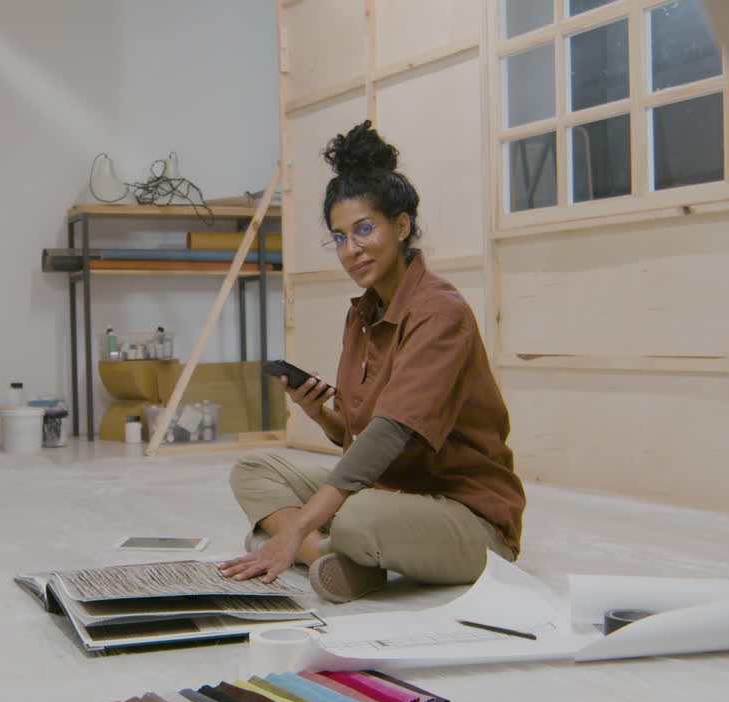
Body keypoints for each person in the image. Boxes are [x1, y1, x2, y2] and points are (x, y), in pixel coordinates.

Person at [218, 121, 526, 603]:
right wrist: (319, 412)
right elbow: (358, 436)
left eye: (364, 229)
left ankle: (310, 548)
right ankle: (329, 559)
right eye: (339, 237)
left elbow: (388, 436)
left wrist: (292, 529)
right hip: (392, 492)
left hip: (467, 513)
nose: (351, 249)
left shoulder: (440, 312)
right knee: (254, 470)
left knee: (357, 517)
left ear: (401, 226)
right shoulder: (363, 313)